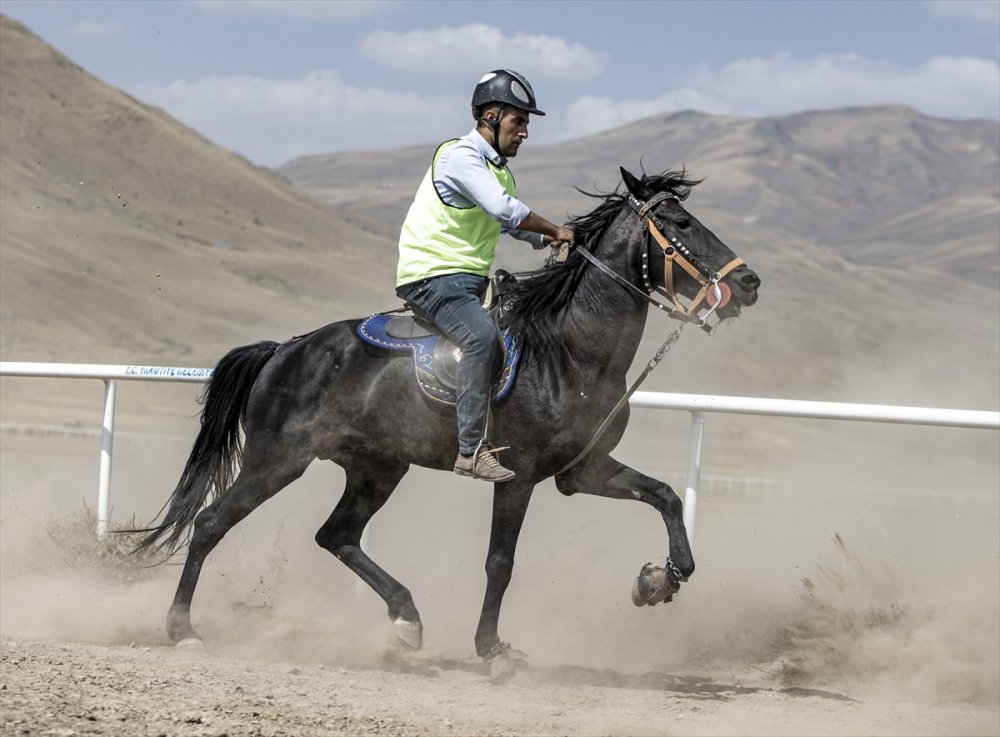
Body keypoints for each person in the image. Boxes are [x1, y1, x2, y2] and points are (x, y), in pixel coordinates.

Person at [395, 69, 575, 483]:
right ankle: (470, 450)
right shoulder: (461, 156)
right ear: (491, 116)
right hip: (432, 278)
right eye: (519, 121)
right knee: (481, 338)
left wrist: (550, 242)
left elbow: (511, 225)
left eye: (527, 123)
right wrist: (555, 230)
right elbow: (505, 210)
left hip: (468, 284)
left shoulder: (498, 170)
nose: (525, 132)